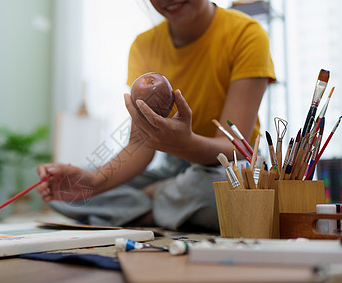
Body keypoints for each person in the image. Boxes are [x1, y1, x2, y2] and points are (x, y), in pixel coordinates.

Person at [36, 0, 276, 232]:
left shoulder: (247, 34)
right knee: (63, 192)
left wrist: (186, 143)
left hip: (230, 165)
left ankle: (147, 204)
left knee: (221, 194)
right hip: (173, 169)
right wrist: (92, 182)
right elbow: (140, 143)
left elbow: (231, 146)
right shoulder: (143, 45)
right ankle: (166, 203)